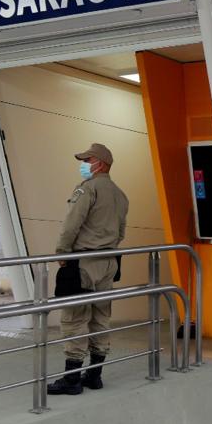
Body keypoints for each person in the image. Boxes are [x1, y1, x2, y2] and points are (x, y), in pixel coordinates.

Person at [47, 143, 129, 396]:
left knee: (74, 317)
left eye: (87, 160)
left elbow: (72, 224)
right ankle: (94, 375)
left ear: (101, 163)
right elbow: (122, 232)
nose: (83, 164)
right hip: (109, 261)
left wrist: (62, 253)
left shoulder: (88, 188)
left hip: (83, 262)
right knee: (100, 317)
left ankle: (71, 379)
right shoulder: (120, 194)